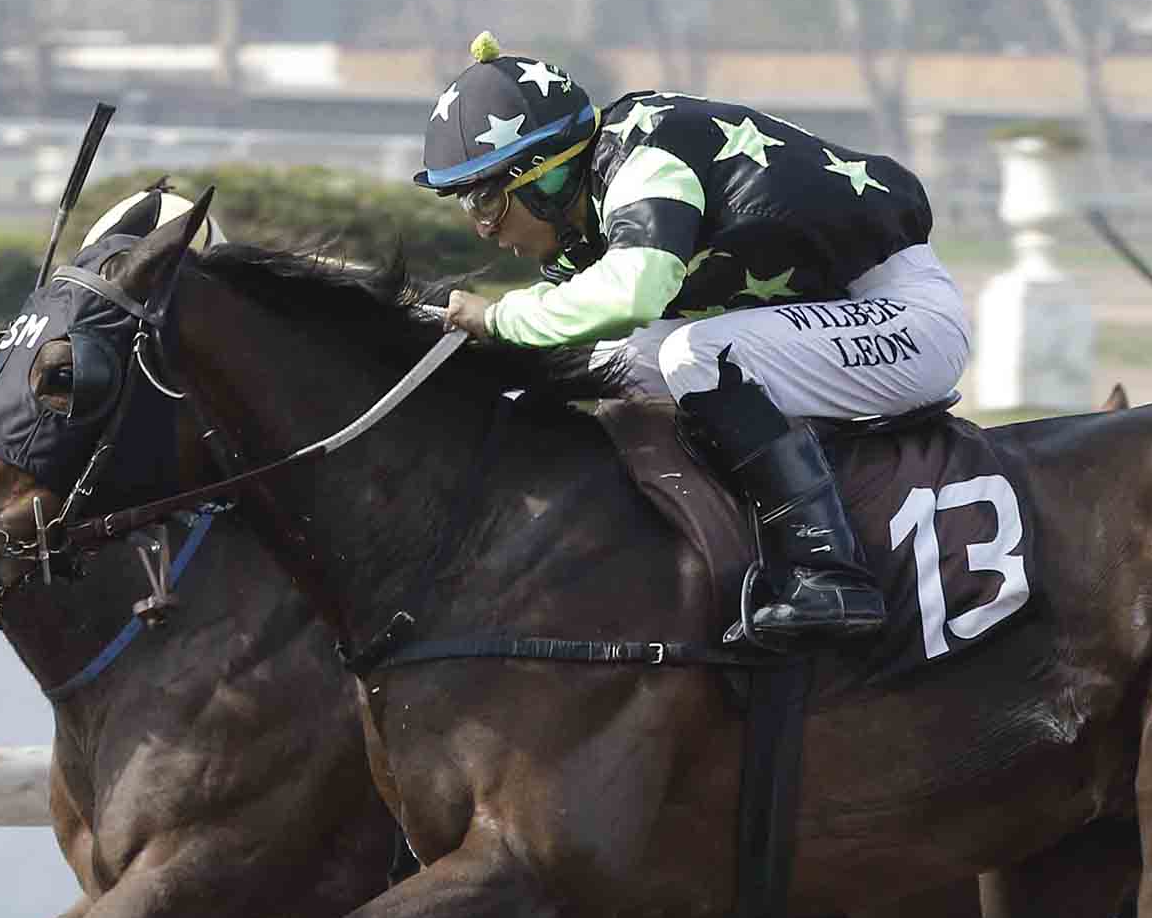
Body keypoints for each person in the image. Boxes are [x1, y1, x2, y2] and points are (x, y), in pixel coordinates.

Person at [415, 32, 973, 651]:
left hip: (905, 319)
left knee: (697, 356)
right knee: (609, 364)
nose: (483, 228)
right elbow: (584, 332)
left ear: (543, 178)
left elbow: (634, 294)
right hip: (831, 312)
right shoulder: (591, 203)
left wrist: (500, 319)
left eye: (486, 199)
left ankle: (830, 575)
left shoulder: (647, 160)